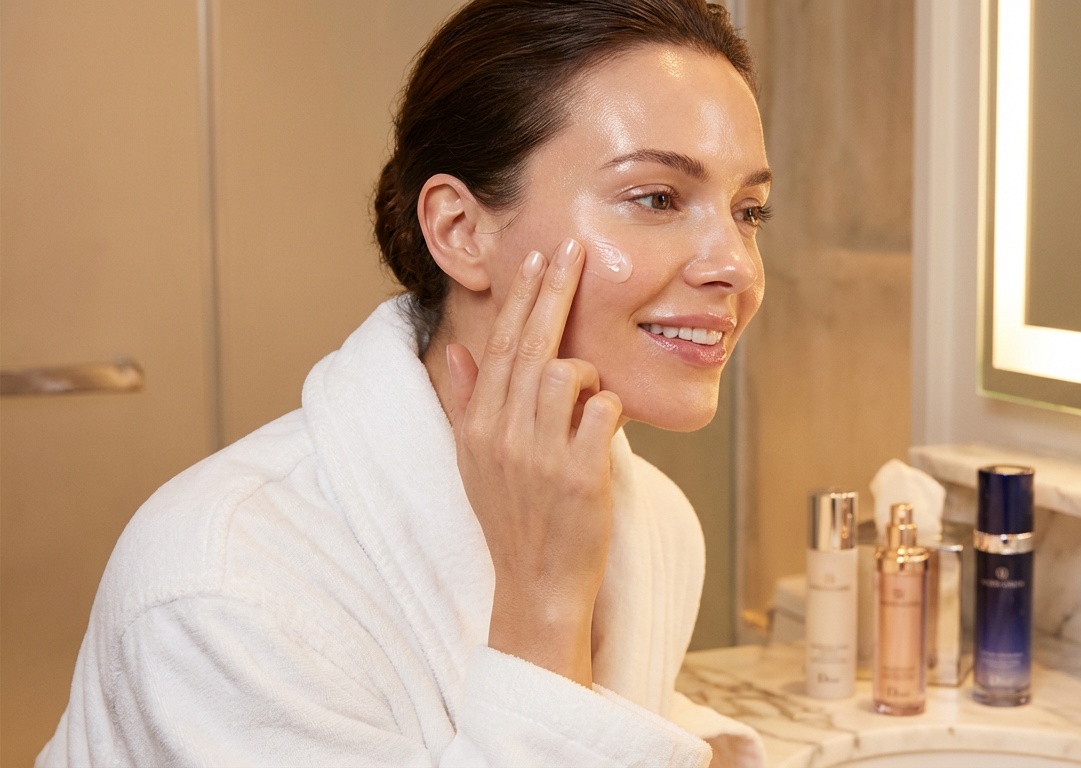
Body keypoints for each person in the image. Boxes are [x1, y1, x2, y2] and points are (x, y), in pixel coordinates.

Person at [37, 0, 771, 765]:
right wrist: (543, 605)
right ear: (461, 230)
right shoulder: (225, 582)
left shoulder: (655, 523)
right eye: (656, 198)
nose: (738, 267)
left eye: (750, 209)